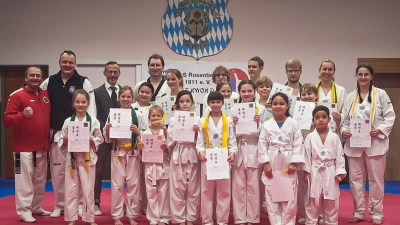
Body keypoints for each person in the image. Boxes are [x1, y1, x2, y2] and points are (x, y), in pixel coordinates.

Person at [40, 50, 97, 217]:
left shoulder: (83, 81)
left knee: (79, 171)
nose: (67, 65)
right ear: (59, 63)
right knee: (58, 172)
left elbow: (91, 107)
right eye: (64, 61)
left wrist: (89, 132)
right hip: (58, 134)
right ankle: (59, 205)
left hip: (80, 135)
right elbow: (40, 101)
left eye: (70, 62)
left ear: (75, 63)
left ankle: (79, 204)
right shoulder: (49, 81)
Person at [341, 64, 395, 225]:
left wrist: (379, 129)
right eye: (360, 74)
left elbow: (390, 116)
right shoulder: (350, 97)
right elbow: (345, 120)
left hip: (375, 142)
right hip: (355, 143)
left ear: (371, 76)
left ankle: (377, 213)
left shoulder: (381, 94)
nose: (363, 77)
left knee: (376, 180)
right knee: (355, 180)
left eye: (366, 74)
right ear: (356, 77)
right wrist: (344, 131)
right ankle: (358, 211)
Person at [4, 66, 51, 223]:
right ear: (26, 78)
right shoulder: (16, 96)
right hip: (23, 148)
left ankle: (36, 207)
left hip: (42, 145)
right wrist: (21, 115)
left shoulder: (45, 94)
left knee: (39, 180)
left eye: (38, 75)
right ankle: (24, 211)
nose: (35, 78)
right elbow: (7, 120)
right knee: (24, 181)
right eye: (32, 75)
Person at [258, 92, 304, 225]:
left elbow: (298, 143)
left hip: (288, 160)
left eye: (281, 103)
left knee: (289, 196)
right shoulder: (266, 124)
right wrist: (266, 164)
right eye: (275, 103)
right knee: (271, 196)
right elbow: (262, 144)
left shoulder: (293, 123)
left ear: (288, 105)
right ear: (271, 106)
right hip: (272, 161)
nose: (278, 106)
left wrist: (294, 162)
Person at [103, 86, 147, 225]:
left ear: (132, 99)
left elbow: (146, 134)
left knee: (134, 185)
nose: (126, 99)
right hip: (117, 152)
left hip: (133, 153)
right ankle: (116, 216)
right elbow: (107, 138)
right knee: (117, 185)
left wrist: (138, 132)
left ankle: (131, 215)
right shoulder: (113, 114)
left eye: (128, 97)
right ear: (119, 98)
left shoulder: (138, 115)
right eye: (123, 96)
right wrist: (109, 129)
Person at [58, 89, 103, 225]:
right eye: (77, 101)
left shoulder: (94, 121)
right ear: (73, 103)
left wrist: (92, 141)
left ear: (88, 103)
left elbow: (100, 138)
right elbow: (61, 139)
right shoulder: (68, 121)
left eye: (83, 102)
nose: (80, 104)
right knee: (71, 189)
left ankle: (89, 218)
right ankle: (72, 218)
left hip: (88, 159)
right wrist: (64, 140)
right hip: (72, 159)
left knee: (88, 189)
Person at [231, 80, 271, 225]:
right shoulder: (233, 110)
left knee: (254, 186)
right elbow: (228, 134)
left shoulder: (261, 109)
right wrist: (233, 124)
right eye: (243, 91)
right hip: (239, 147)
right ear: (239, 92)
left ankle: (253, 218)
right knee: (238, 186)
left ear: (254, 91)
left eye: (249, 91)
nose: (246, 94)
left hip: (255, 147)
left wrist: (258, 123)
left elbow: (267, 132)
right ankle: (240, 218)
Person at [297, 83, 337, 225]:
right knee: (307, 190)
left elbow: (332, 132)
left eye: (310, 93)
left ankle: (323, 217)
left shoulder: (324, 111)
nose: (307, 96)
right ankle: (305, 215)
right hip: (305, 152)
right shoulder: (298, 111)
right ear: (300, 96)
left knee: (326, 191)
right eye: (304, 94)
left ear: (316, 95)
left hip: (324, 157)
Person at [196, 92, 237, 225]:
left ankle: (222, 221)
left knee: (224, 192)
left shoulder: (228, 120)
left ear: (223, 103)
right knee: (206, 192)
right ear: (208, 104)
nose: (215, 105)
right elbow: (200, 142)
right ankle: (207, 221)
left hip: (223, 158)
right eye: (212, 102)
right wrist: (200, 152)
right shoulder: (203, 121)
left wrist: (233, 152)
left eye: (218, 102)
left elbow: (232, 140)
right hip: (208, 159)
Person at [303, 105, 347, 225]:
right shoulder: (310, 137)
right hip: (314, 170)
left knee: (331, 200)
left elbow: (340, 155)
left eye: (324, 117)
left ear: (329, 119)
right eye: (317, 117)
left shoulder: (335, 137)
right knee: (312, 199)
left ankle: (331, 222)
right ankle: (311, 222)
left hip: (331, 171)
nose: (321, 120)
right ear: (313, 120)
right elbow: (306, 155)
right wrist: (306, 172)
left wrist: (340, 172)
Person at [167, 90, 201, 225]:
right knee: (177, 188)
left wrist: (197, 133)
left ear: (192, 102)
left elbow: (203, 140)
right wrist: (176, 132)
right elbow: (169, 141)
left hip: (192, 152)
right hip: (178, 152)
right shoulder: (173, 119)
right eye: (182, 101)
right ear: (177, 104)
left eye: (187, 101)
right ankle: (179, 219)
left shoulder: (197, 119)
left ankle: (191, 218)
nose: (185, 104)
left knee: (193, 188)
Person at [93, 61, 121, 215]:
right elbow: (95, 115)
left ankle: (124, 204)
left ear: (119, 74)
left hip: (121, 138)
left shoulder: (124, 92)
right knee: (98, 170)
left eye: (115, 72)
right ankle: (95, 202)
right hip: (103, 138)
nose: (112, 74)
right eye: (110, 71)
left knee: (123, 172)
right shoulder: (97, 92)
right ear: (104, 73)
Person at [142, 105, 171, 225]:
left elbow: (171, 148)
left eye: (158, 116)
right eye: (153, 116)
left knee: (164, 192)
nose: (155, 118)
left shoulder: (166, 131)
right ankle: (153, 218)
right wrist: (140, 148)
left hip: (163, 164)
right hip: (150, 165)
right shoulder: (145, 133)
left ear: (162, 117)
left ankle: (164, 218)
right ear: (149, 118)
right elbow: (141, 153)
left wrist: (166, 148)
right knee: (151, 192)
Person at [316, 59, 347, 126]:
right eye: (324, 69)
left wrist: (340, 117)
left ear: (334, 72)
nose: (327, 72)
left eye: (330, 69)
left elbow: (345, 112)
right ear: (319, 70)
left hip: (334, 130)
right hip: (316, 129)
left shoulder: (341, 90)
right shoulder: (313, 90)